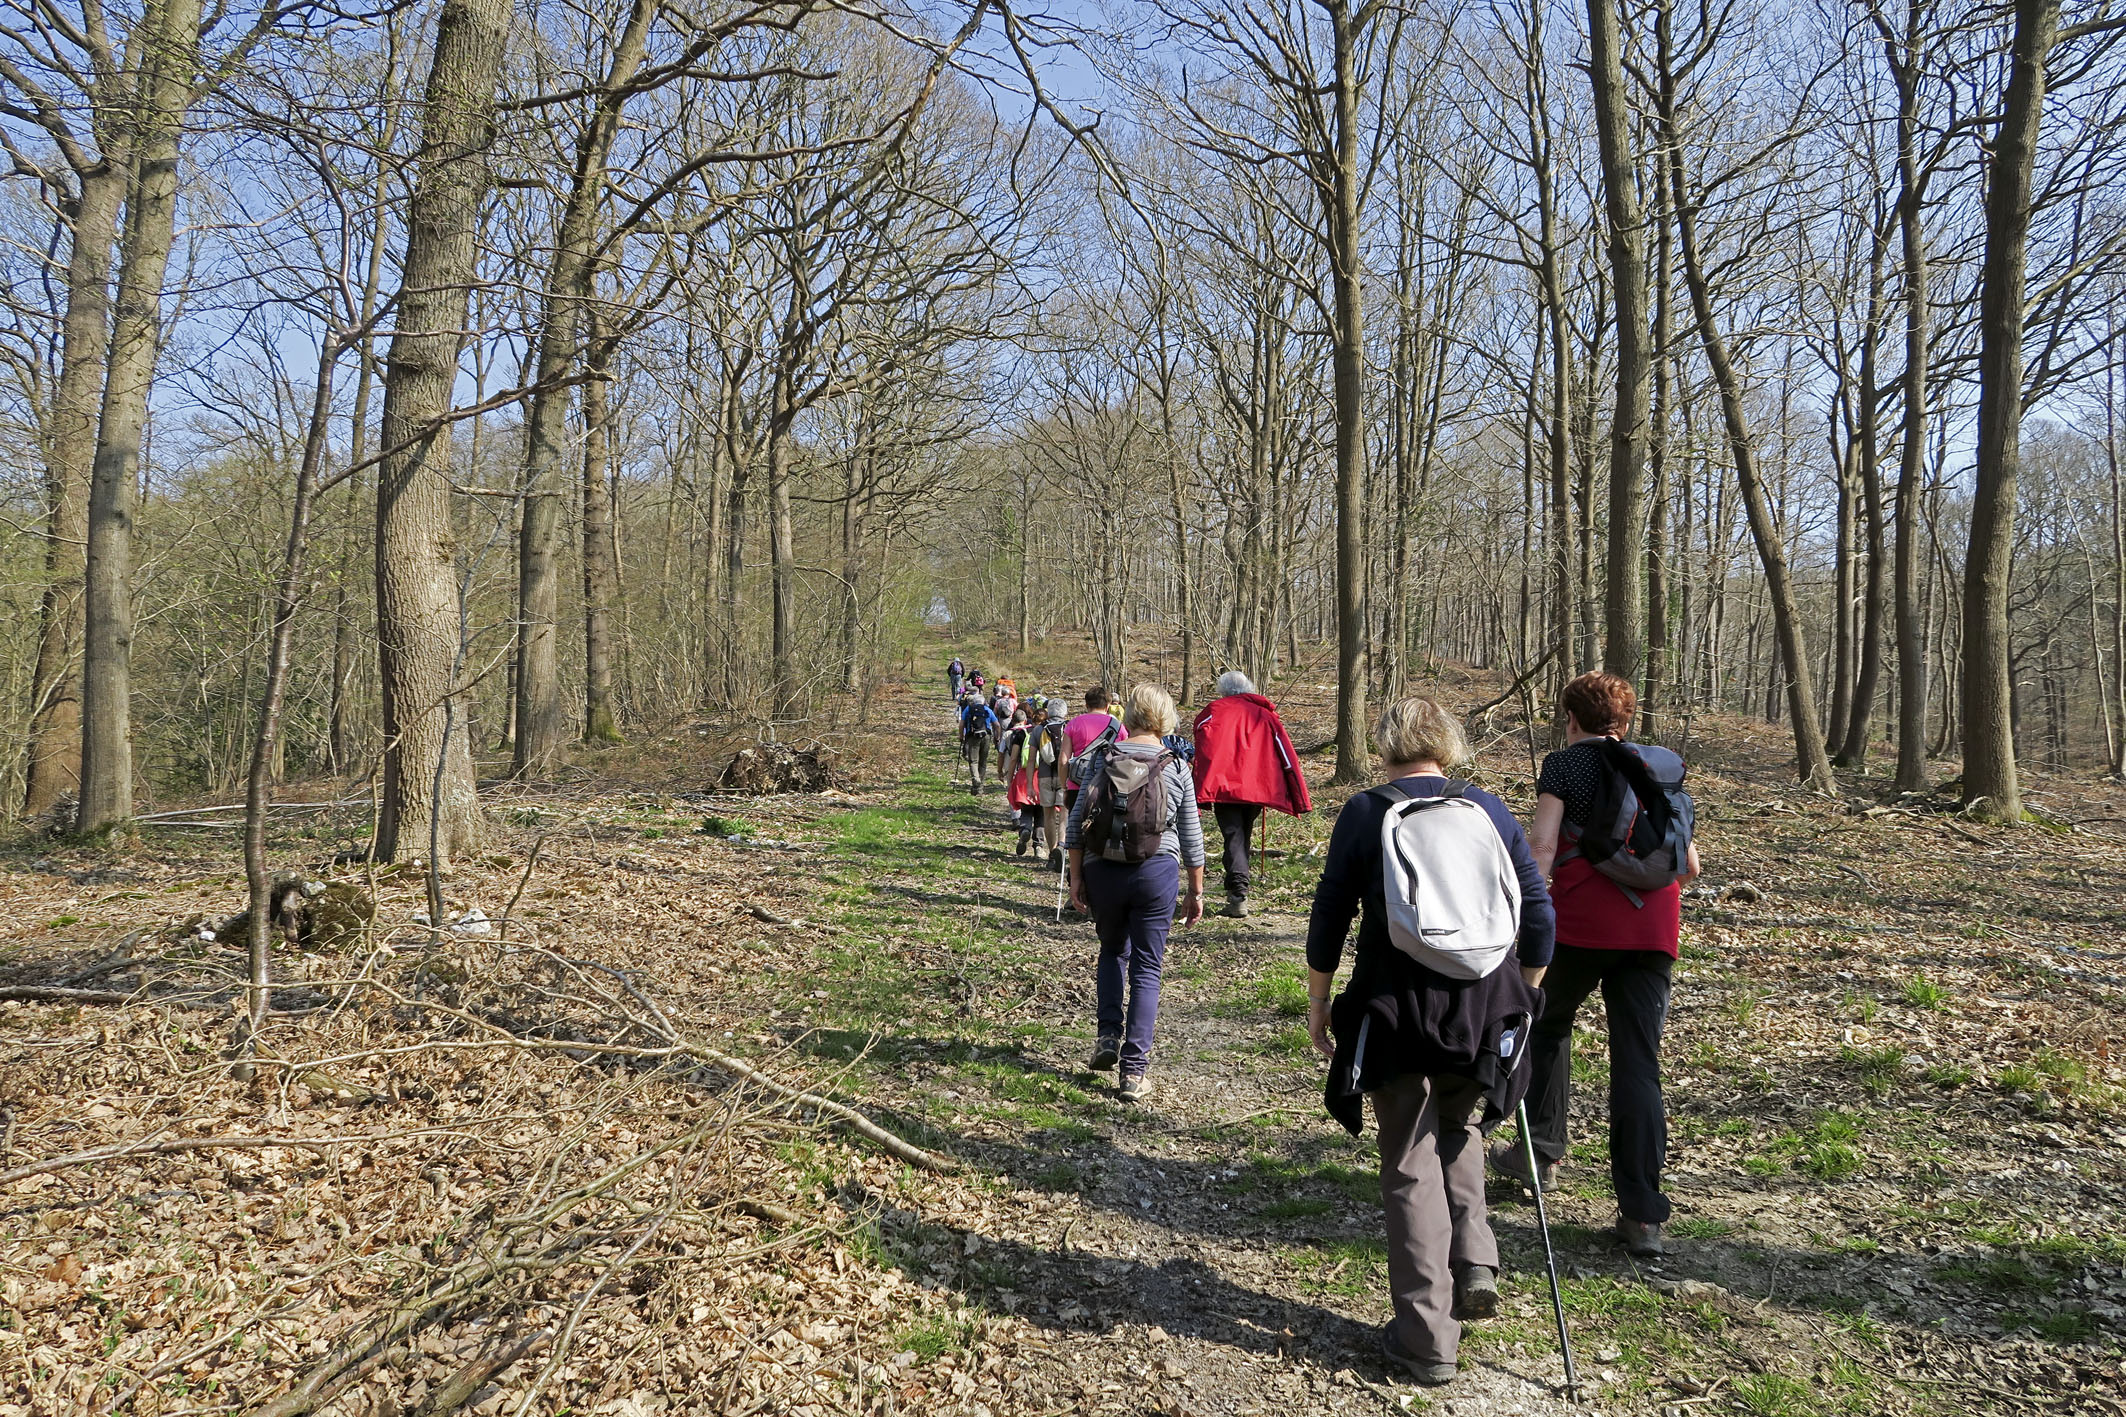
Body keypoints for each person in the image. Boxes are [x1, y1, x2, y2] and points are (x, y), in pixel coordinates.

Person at [1305, 698, 1554, 1387]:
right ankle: (1475, 1260)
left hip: (1396, 1009)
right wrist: (1524, 995)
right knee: (1460, 1123)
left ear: (1385, 746)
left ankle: (1427, 1341)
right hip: (1485, 1004)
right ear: (1447, 745)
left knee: (1411, 1159)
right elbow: (1538, 913)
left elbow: (1330, 913)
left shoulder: (1366, 811)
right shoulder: (1488, 808)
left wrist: (1320, 1001)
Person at [1491, 671, 1700, 1259]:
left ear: (1571, 718)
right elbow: (1690, 866)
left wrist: (1527, 911)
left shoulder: (1565, 765)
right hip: (1652, 932)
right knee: (1638, 1062)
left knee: (1546, 1024)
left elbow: (1542, 847)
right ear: (1625, 721)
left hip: (1580, 923)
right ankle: (1642, 1215)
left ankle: (1539, 1154)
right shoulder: (1659, 768)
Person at [1066, 684, 1205, 1102]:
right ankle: (1133, 1072)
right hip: (1156, 872)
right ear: (1165, 720)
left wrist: (1076, 876)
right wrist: (1196, 890)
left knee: (1112, 951)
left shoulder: (1104, 758)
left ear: (1127, 716)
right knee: (1147, 967)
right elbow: (1192, 835)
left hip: (1102, 870)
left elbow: (1076, 822)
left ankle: (1107, 1036)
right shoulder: (1175, 766)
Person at [1191, 669, 1312, 918]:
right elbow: (1284, 751)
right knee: (1241, 834)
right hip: (1256, 786)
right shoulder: (1264, 714)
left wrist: (1200, 780)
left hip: (1225, 786)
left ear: (1223, 690)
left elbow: (1202, 741)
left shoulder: (1214, 711)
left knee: (1234, 835)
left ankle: (1238, 892)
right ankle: (1236, 887)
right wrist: (1296, 789)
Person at [1062, 686, 1124, 815]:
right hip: (1107, 785)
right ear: (1107, 706)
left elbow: (1063, 760)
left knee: (1076, 824)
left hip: (1077, 785)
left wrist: (1064, 787)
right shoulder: (1118, 726)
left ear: (1086, 705)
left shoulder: (1073, 723)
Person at [960, 692, 999, 793]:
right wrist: (997, 737)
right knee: (983, 761)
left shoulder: (968, 709)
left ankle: (975, 779)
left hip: (972, 736)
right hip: (986, 736)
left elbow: (962, 724)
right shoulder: (987, 710)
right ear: (983, 702)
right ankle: (980, 787)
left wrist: (961, 736)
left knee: (973, 761)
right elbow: (997, 725)